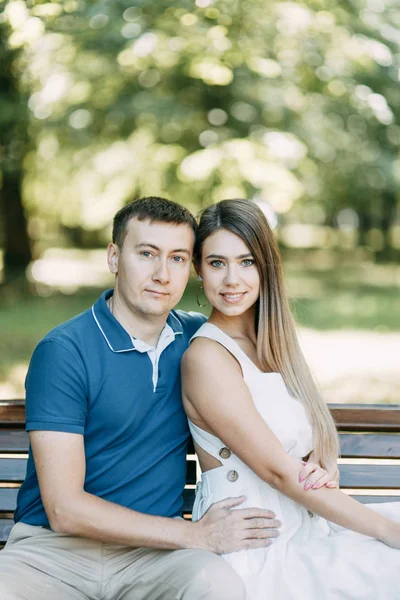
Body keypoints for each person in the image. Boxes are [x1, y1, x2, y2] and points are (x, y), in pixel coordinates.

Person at [0, 197, 281, 600]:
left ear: (193, 268)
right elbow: (64, 509)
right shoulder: (65, 350)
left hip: (157, 556)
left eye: (178, 258)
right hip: (51, 554)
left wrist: (319, 452)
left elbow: (274, 393)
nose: (162, 274)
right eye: (147, 254)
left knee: (218, 587)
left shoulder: (201, 344)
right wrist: (195, 533)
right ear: (115, 257)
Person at [181, 198, 400, 600]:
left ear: (266, 266)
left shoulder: (272, 344)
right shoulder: (206, 358)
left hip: (306, 523)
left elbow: (305, 447)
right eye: (217, 263)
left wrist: (322, 465)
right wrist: (391, 533)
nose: (232, 279)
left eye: (246, 262)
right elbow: (278, 472)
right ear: (198, 269)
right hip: (260, 544)